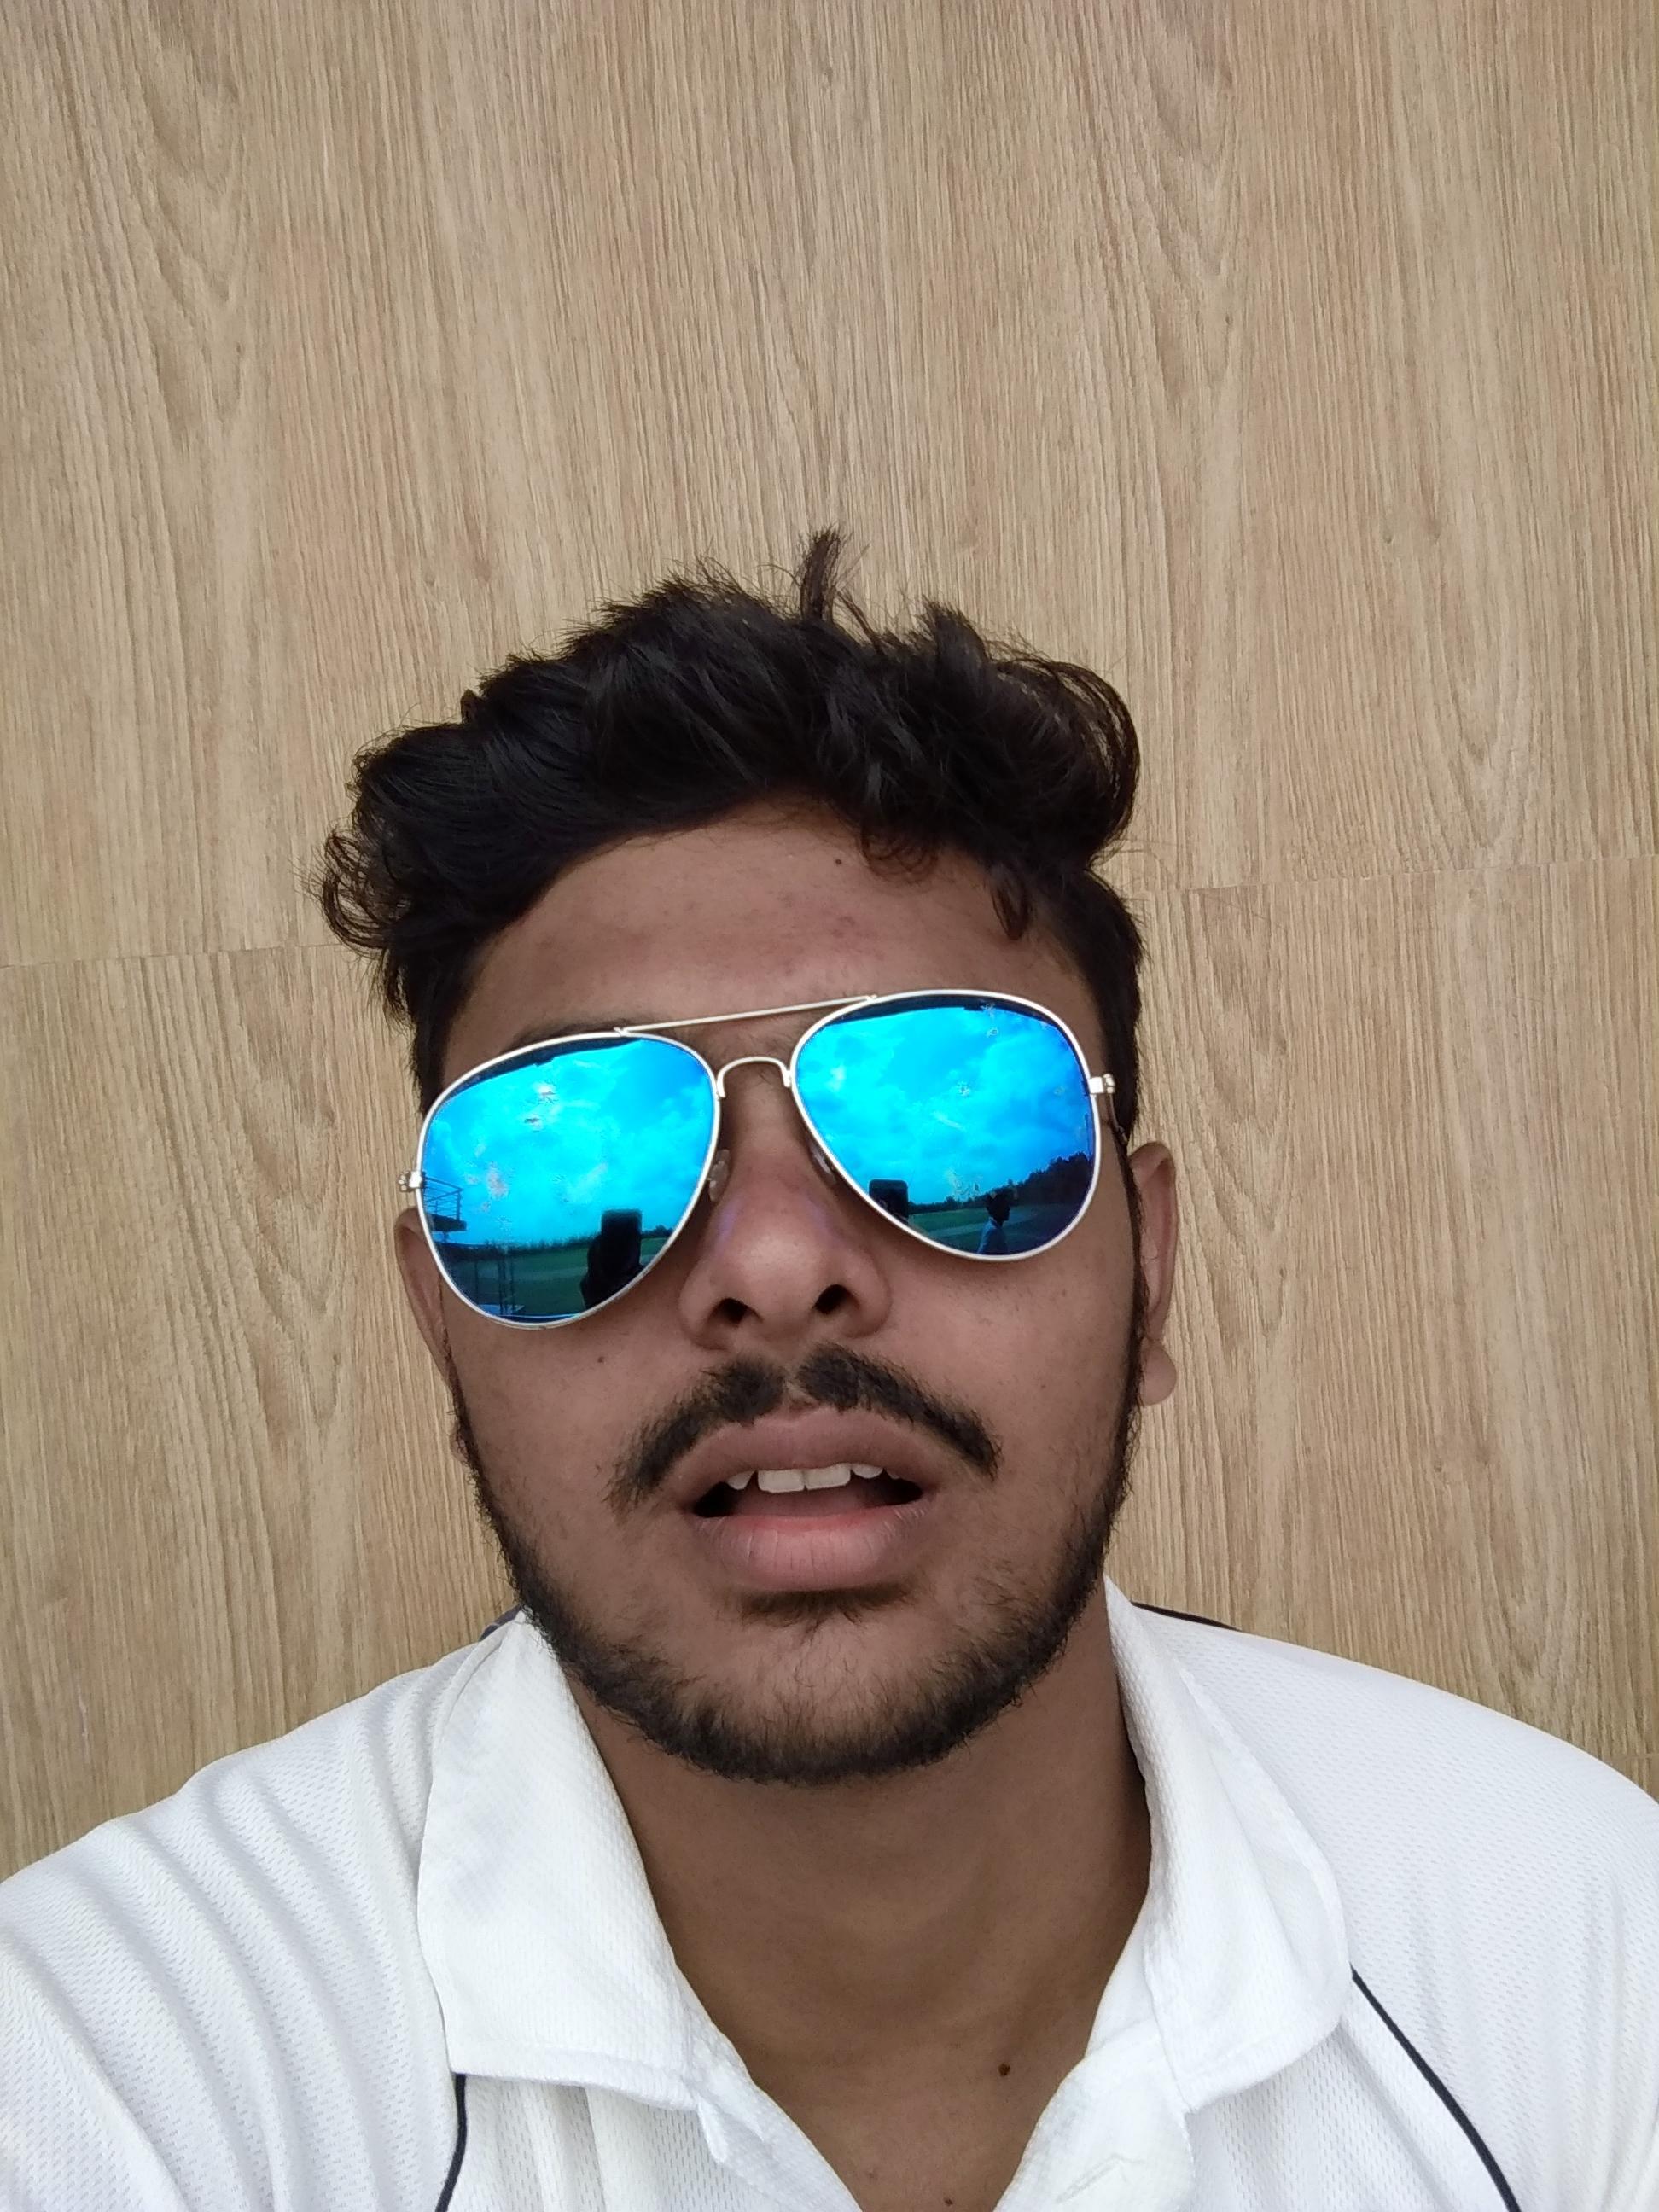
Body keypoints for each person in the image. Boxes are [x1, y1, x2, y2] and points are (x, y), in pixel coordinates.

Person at [1, 533, 1653, 2212]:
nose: (778, 1265)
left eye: (949, 1120)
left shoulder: (1580, 1960)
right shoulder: (104, 2078)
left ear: (1149, 1271)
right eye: (572, 1153)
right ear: (441, 1327)